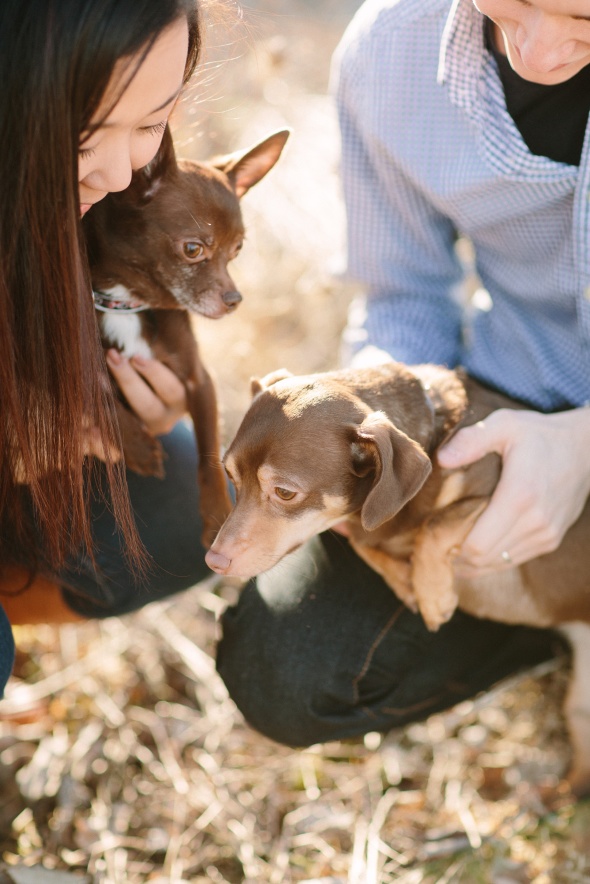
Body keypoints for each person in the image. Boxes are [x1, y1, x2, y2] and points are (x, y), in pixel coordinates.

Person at [215, 0, 587, 745]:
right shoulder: (394, 51)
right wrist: (370, 411)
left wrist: (579, 443)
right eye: (515, 0)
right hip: (494, 403)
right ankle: (533, 605)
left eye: (582, 15)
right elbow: (405, 295)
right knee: (287, 667)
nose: (538, 53)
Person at [0, 0, 212, 696]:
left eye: (151, 124)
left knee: (180, 506)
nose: (119, 174)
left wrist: (116, 414)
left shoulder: (100, 203)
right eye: (87, 134)